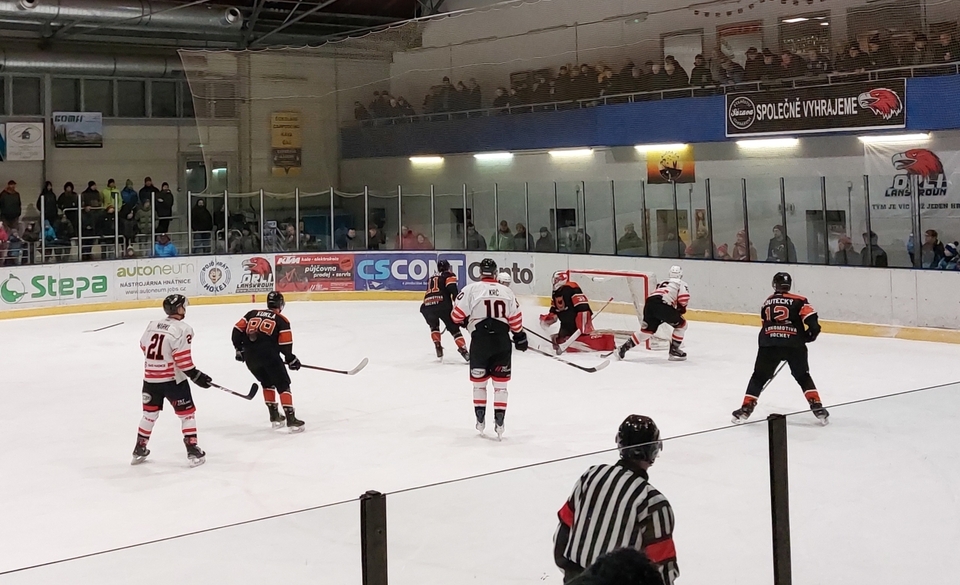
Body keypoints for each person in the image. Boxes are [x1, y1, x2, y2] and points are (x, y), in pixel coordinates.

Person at [554, 414, 678, 585]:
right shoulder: (653, 503)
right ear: (653, 450)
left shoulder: (591, 476)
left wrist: (574, 577)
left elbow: (563, 530)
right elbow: (663, 569)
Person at [731, 272, 828, 425]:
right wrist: (808, 336)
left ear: (774, 284)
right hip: (794, 344)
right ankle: (817, 406)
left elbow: (765, 324)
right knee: (803, 376)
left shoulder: (767, 302)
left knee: (759, 377)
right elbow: (813, 324)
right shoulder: (800, 300)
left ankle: (746, 408)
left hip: (769, 344)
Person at [132, 294, 213, 467]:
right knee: (187, 414)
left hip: (150, 379)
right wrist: (196, 375)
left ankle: (139, 448)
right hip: (173, 381)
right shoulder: (184, 329)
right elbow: (182, 360)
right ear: (179, 309)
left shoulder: (152, 325)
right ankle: (192, 450)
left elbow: (143, 346)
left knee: (149, 415)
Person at [451, 258, 526, 440]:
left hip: (480, 342)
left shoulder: (471, 289)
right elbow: (516, 321)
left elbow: (456, 315)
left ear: (480, 273)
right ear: (495, 273)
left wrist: (466, 321)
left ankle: (480, 420)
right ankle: (500, 422)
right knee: (500, 386)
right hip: (501, 342)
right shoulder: (507, 292)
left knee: (479, 384)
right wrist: (519, 336)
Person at [233, 291, 304, 431]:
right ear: (281, 305)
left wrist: (239, 349)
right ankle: (290, 418)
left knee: (267, 383)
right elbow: (285, 344)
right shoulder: (281, 320)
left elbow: (236, 330)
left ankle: (274, 415)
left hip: (250, 358)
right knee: (283, 385)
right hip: (269, 357)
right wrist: (290, 359)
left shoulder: (252, 313)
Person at [617, 265, 689, 361]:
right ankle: (674, 351)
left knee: (646, 332)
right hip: (662, 304)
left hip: (650, 303)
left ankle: (623, 348)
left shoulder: (662, 282)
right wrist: (681, 309)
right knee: (682, 325)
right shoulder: (681, 284)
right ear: (681, 275)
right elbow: (683, 298)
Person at [540, 271, 615, 353]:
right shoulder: (555, 293)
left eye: (557, 280)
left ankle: (606, 342)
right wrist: (546, 321)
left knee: (580, 339)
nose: (555, 282)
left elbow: (583, 308)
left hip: (577, 324)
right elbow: (554, 311)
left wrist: (583, 325)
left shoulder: (571, 288)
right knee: (558, 340)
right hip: (565, 325)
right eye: (554, 280)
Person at [420, 259, 469, 361]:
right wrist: (457, 304)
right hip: (443, 305)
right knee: (454, 329)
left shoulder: (431, 278)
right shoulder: (449, 275)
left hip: (427, 305)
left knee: (434, 326)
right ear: (448, 267)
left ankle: (437, 345)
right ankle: (463, 350)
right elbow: (453, 291)